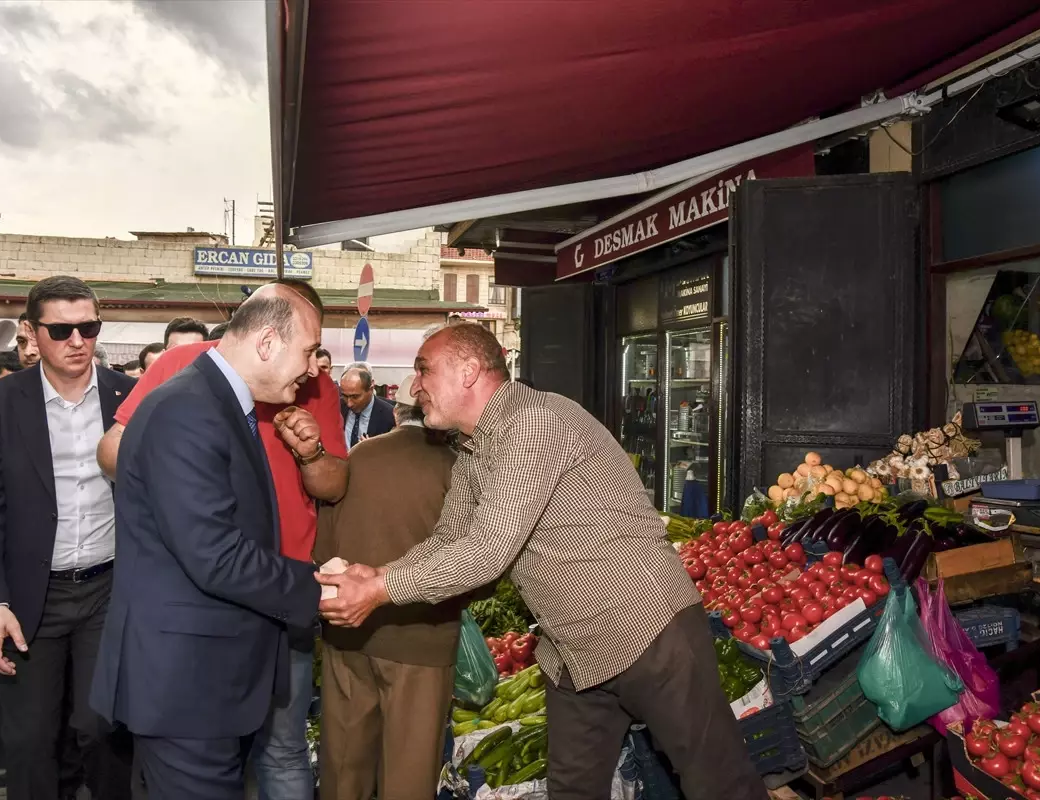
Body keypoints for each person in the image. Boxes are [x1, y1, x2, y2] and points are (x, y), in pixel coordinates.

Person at [317, 324, 768, 800]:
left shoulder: (535, 423)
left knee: (719, 784)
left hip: (648, 633)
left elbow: (486, 551)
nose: (414, 387)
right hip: (572, 653)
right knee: (571, 791)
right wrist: (379, 574)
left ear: (469, 372)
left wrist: (381, 592)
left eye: (424, 370)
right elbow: (450, 539)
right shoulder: (474, 451)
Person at [95, 278, 347, 800]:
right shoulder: (187, 408)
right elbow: (215, 553)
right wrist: (318, 590)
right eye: (308, 351)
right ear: (267, 344)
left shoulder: (217, 401)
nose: (313, 368)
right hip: (185, 686)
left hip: (207, 677)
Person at [0, 276, 137, 800]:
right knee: (31, 741)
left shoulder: (129, 396)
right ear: (33, 334)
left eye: (89, 327)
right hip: (31, 597)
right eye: (61, 329)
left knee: (103, 729)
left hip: (109, 591)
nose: (77, 340)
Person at [313, 374, 460, 800]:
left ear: (397, 414)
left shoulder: (358, 455)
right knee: (408, 776)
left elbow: (323, 546)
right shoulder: (457, 468)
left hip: (348, 635)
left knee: (343, 767)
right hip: (423, 640)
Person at [340, 365, 394, 446]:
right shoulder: (337, 407)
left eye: (355, 397)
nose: (349, 403)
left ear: (371, 389)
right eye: (345, 396)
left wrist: (373, 451)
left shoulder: (390, 416)